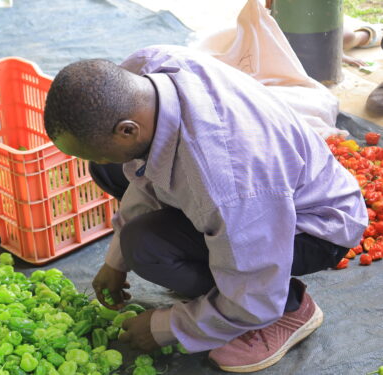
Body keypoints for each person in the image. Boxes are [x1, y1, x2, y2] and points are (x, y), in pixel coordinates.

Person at [42, 46, 367, 372]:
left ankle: (285, 310)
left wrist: (166, 327)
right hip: (251, 197)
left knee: (145, 246)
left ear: (128, 129)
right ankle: (220, 287)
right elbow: (144, 177)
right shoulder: (146, 69)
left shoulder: (227, 178)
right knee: (110, 168)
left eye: (95, 153)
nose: (93, 162)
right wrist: (115, 262)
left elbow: (254, 286)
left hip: (311, 227)